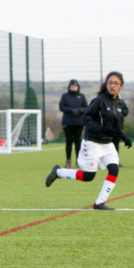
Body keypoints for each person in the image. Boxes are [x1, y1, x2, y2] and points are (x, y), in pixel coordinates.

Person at [46, 71, 132, 210]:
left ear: (121, 86)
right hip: (93, 142)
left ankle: (99, 203)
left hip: (108, 144)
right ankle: (59, 172)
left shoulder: (119, 103)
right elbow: (86, 118)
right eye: (110, 82)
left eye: (116, 83)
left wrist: (124, 137)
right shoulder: (99, 100)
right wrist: (102, 130)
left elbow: (117, 125)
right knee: (88, 176)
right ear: (106, 83)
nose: (112, 85)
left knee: (114, 169)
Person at [59, 79, 88, 168]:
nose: (74, 88)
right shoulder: (65, 96)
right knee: (69, 142)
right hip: (68, 123)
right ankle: (68, 161)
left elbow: (86, 107)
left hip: (79, 123)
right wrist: (71, 111)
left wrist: (79, 110)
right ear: (69, 87)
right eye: (72, 86)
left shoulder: (82, 96)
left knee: (78, 142)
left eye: (75, 86)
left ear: (78, 87)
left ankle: (78, 161)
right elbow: (62, 107)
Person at [112, 97, 129, 168]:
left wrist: (122, 113)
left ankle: (116, 162)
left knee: (116, 145)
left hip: (118, 127)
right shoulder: (104, 101)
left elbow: (126, 111)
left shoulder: (120, 101)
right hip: (107, 127)